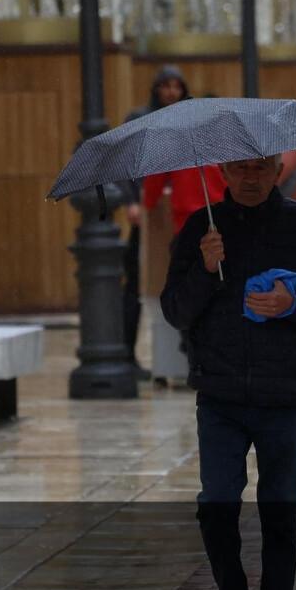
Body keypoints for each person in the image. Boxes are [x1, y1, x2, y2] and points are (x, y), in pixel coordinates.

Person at [160, 155, 296, 590]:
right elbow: (175, 310)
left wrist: (294, 303)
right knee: (217, 504)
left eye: (261, 168)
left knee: (281, 509)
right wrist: (205, 269)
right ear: (223, 173)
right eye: (241, 169)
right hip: (219, 395)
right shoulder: (202, 228)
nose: (251, 178)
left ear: (278, 171)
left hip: (284, 393)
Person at [117, 65, 193, 379]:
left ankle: (188, 350)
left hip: (178, 211)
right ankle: (127, 351)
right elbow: (127, 166)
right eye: (166, 86)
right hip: (155, 216)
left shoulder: (188, 122)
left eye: (177, 86)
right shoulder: (140, 120)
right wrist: (134, 202)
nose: (171, 92)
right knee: (137, 282)